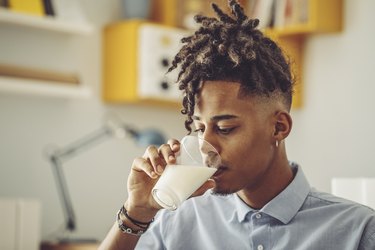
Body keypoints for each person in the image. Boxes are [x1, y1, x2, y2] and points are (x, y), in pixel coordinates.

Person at [99, 1, 375, 249]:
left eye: (225, 128)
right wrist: (136, 212)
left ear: (279, 127)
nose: (207, 148)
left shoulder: (356, 230)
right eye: (198, 128)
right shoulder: (177, 220)